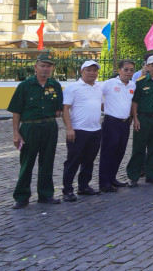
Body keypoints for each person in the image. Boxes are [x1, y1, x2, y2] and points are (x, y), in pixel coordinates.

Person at [9, 53, 63, 208]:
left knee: (47, 161)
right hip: (30, 127)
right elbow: (16, 112)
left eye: (48, 66)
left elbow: (58, 110)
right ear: (35, 67)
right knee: (27, 162)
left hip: (49, 127)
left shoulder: (55, 85)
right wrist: (16, 133)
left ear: (52, 68)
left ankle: (45, 194)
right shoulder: (25, 86)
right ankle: (22, 196)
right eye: (42, 65)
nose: (45, 69)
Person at [61, 60, 104, 202]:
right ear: (81, 72)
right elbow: (65, 108)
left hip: (95, 130)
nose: (92, 73)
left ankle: (84, 186)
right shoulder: (72, 88)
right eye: (88, 70)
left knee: (89, 160)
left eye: (94, 70)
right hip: (78, 130)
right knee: (73, 161)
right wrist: (69, 128)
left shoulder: (99, 87)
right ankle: (67, 189)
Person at [127, 55, 153, 187]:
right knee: (138, 148)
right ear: (148, 66)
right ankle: (134, 176)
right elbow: (135, 102)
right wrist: (135, 119)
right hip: (143, 118)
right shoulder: (140, 83)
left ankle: (152, 175)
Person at [99, 60, 136, 193]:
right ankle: (104, 182)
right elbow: (97, 96)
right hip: (111, 122)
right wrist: (103, 107)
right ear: (119, 70)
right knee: (108, 152)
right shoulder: (109, 83)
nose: (129, 72)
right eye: (126, 69)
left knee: (120, 151)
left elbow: (132, 103)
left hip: (125, 123)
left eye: (131, 70)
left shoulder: (133, 84)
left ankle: (112, 178)